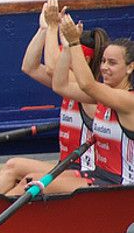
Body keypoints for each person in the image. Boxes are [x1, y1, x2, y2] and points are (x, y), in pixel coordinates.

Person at [0, 0, 106, 195]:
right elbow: (29, 67)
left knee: (30, 180)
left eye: (67, 53)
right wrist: (43, 29)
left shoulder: (87, 88)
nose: (62, 59)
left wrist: (53, 27)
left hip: (85, 172)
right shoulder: (66, 86)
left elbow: (51, 67)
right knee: (12, 166)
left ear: (85, 59)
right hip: (67, 166)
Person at [52, 16, 134, 191]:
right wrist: (67, 48)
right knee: (27, 183)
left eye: (112, 63)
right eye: (103, 61)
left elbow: (87, 84)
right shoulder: (104, 96)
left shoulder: (128, 100)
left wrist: (75, 43)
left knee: (32, 185)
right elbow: (60, 85)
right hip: (100, 178)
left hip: (122, 188)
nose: (104, 67)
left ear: (130, 67)